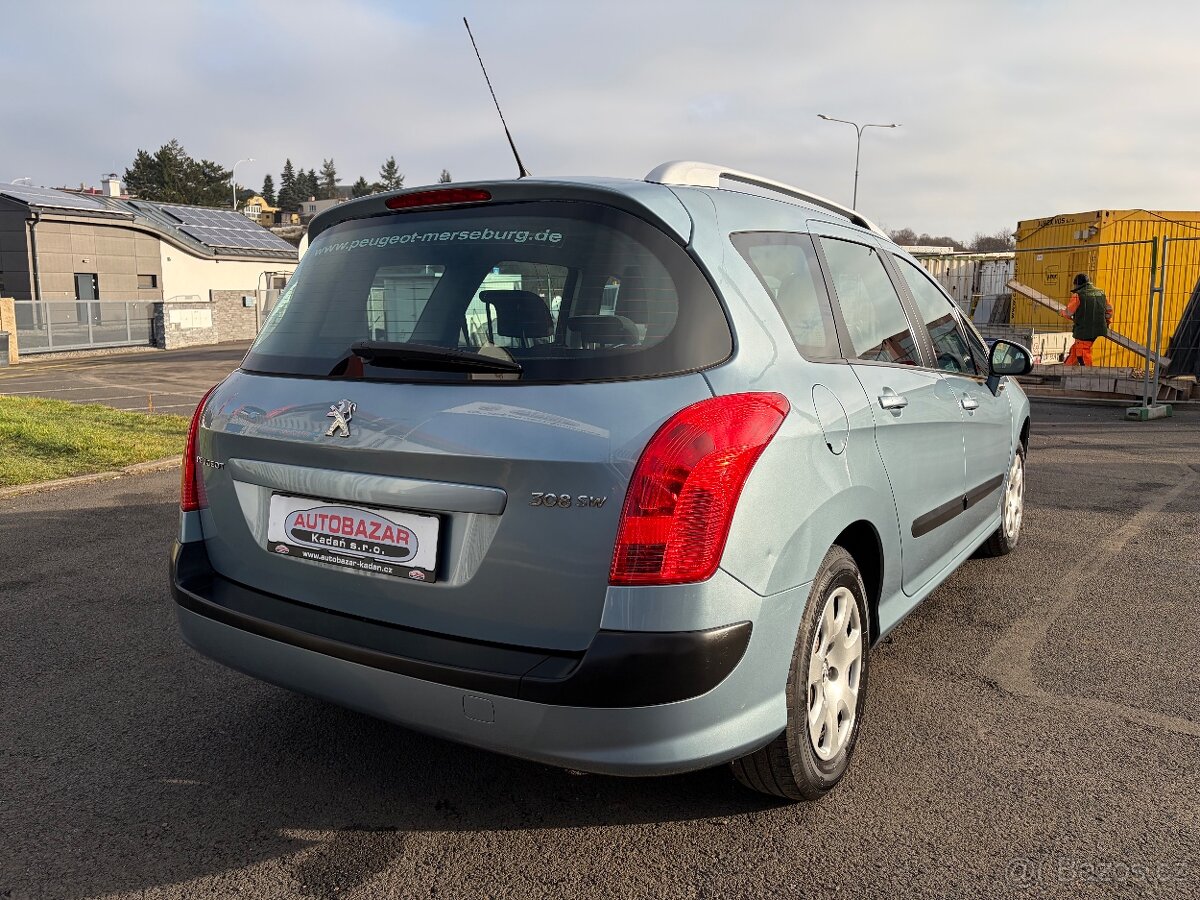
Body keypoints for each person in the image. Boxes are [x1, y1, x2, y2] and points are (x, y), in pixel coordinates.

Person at [1062, 273, 1113, 366]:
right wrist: (1107, 322)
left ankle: (1088, 374)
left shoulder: (1078, 296)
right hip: (1099, 329)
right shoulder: (1101, 293)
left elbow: (1068, 313)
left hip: (1084, 331)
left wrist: (1061, 312)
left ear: (1077, 284)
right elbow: (1109, 310)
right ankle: (1065, 370)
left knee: (1082, 354)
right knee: (1075, 351)